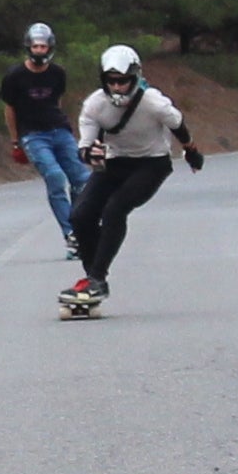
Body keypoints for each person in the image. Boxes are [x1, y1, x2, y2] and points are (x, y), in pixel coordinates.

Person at [66, 44, 203, 303]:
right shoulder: (94, 105)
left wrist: (191, 151)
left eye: (123, 81)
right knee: (80, 216)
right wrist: (89, 154)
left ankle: (96, 276)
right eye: (112, 81)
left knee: (115, 209)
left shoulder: (154, 102)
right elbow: (84, 145)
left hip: (152, 163)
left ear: (135, 77)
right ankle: (95, 280)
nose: (117, 87)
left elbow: (178, 125)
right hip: (115, 162)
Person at [0, 21, 84, 247]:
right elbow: (10, 109)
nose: (39, 51)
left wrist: (63, 126)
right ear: (29, 47)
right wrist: (16, 141)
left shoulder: (57, 73)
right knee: (55, 178)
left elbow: (57, 100)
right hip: (33, 135)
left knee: (82, 180)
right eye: (35, 46)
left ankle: (79, 226)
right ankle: (70, 234)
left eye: (43, 47)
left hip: (59, 130)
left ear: (50, 48)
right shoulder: (14, 76)